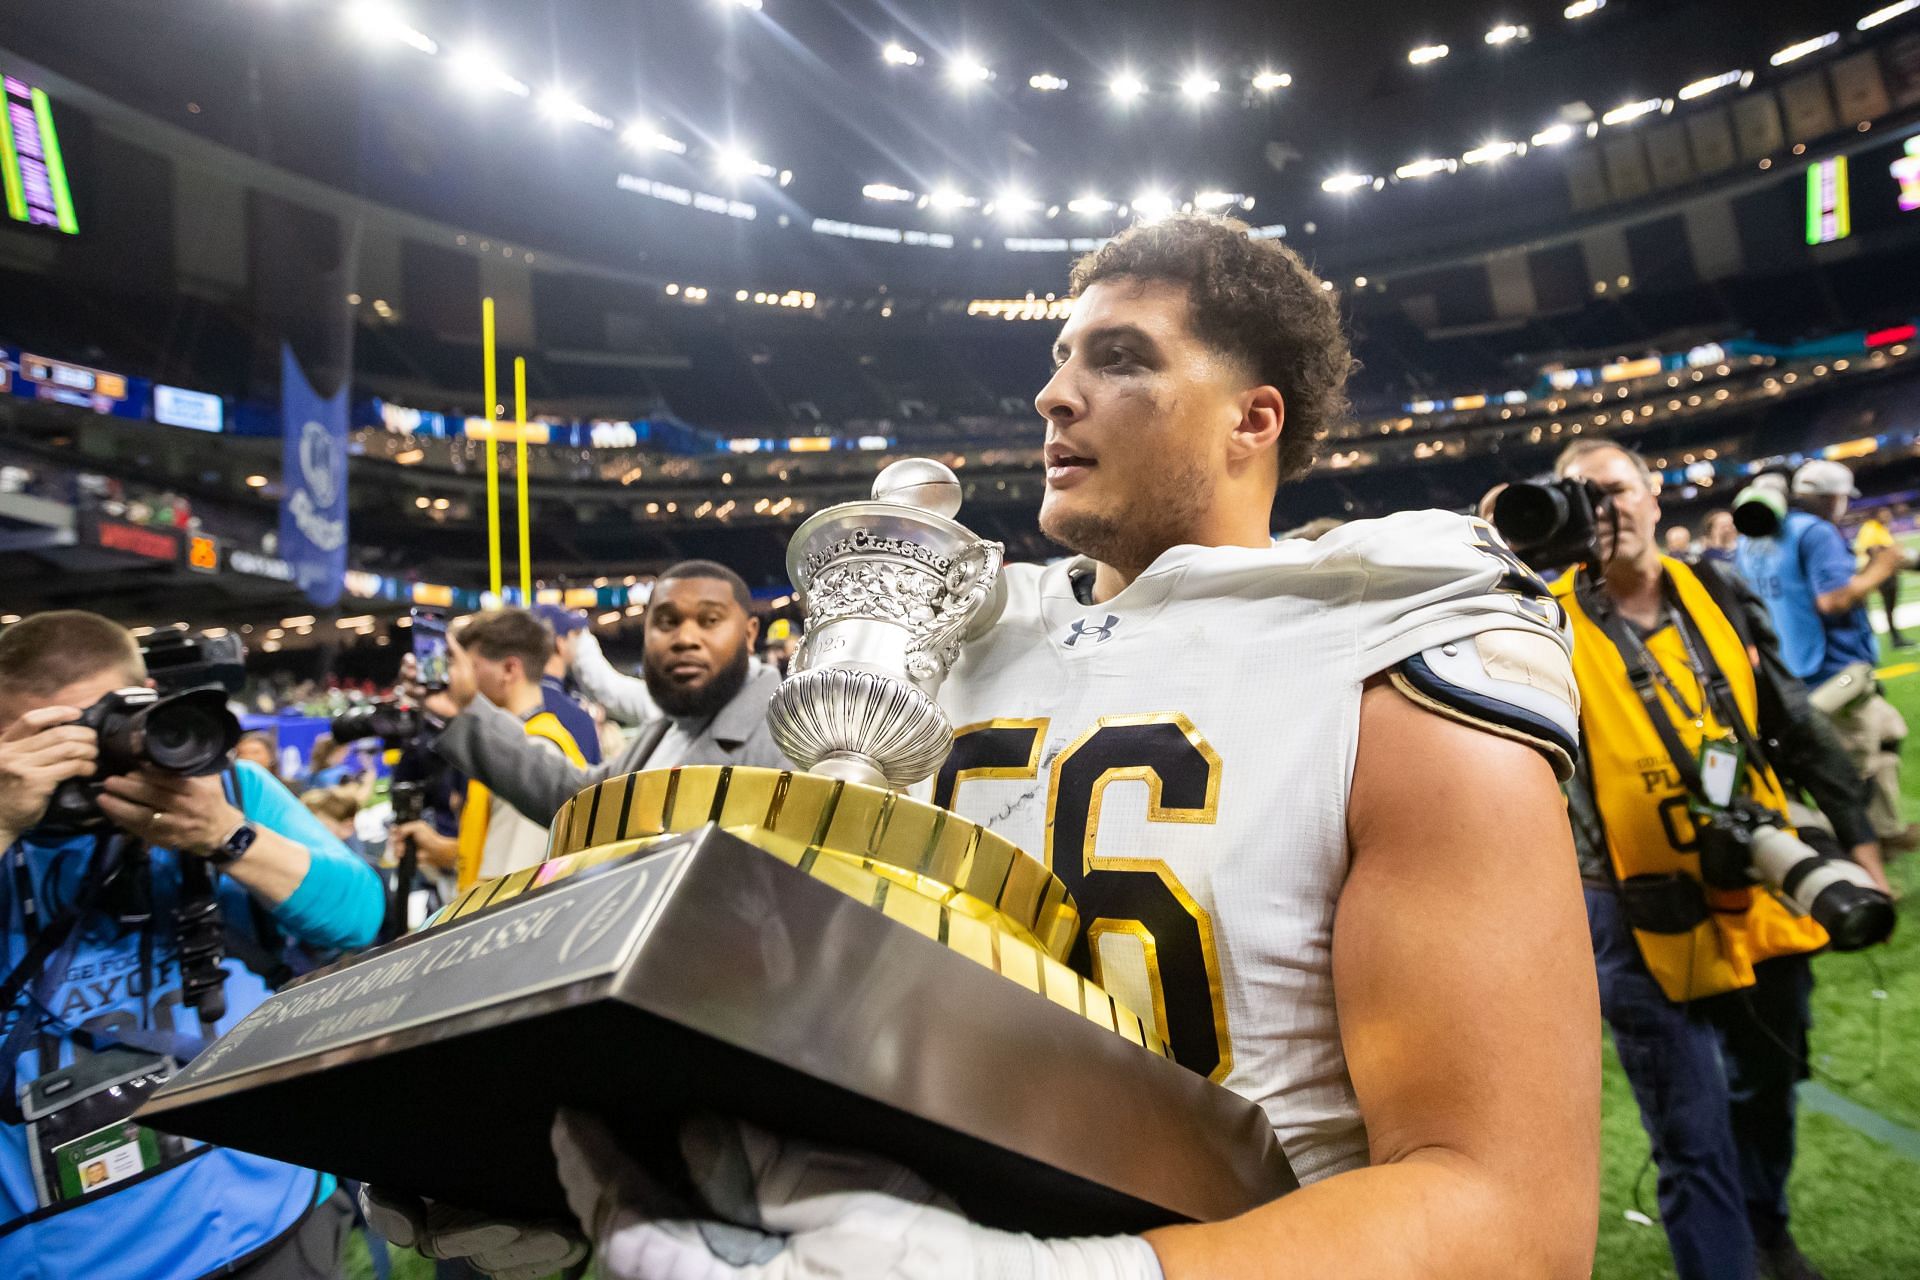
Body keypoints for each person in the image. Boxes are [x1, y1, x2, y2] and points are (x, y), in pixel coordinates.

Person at [402, 216, 1602, 1278]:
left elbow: (1506, 1218)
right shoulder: (949, 637)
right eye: (1059, 358)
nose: (1056, 394)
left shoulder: (1387, 642)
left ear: (1255, 417)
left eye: (1120, 357)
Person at [1555, 441, 1879, 1280]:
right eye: (1582, 496)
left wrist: (1862, 849)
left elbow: (1793, 719)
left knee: (1771, 1085)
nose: (1606, 509)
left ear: (1653, 493)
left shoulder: (1722, 591)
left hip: (1760, 876)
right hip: (1632, 904)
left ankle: (1767, 1228)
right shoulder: (1539, 618)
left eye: (1616, 488)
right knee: (1690, 1134)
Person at [0, 610, 385, 1280]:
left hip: (270, 1212)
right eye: (52, 738)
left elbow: (358, 915)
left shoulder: (226, 789)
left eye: (102, 727)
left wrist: (225, 834)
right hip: (58, 1254)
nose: (88, 759)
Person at [432, 561, 790, 842]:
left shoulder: (786, 741)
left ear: (749, 634)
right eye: (666, 622)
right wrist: (463, 709)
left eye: (709, 620)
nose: (685, 638)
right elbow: (578, 802)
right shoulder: (667, 728)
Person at [1736, 460, 1912, 848]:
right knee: (1854, 760)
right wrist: (1882, 568)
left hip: (1790, 666)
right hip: (1832, 665)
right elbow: (1832, 600)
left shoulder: (1754, 536)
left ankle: (1885, 829)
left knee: (1887, 732)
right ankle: (1865, 845)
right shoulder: (1814, 531)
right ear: (1834, 498)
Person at [438, 608, 590, 890]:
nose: (459, 678)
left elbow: (501, 889)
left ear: (509, 669)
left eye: (471, 667)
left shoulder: (530, 754)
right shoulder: (540, 737)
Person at [528, 604, 604, 764]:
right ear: (560, 643)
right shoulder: (577, 717)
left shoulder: (509, 702)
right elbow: (593, 786)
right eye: (573, 635)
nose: (576, 642)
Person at [1850, 506, 1908, 648]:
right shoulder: (1870, 528)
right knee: (1865, 610)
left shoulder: (1882, 529)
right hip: (1874, 573)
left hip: (1882, 572)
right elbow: (1871, 550)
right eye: (1883, 514)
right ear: (1875, 515)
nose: (1887, 516)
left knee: (1889, 607)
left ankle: (1895, 638)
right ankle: (1870, 642)